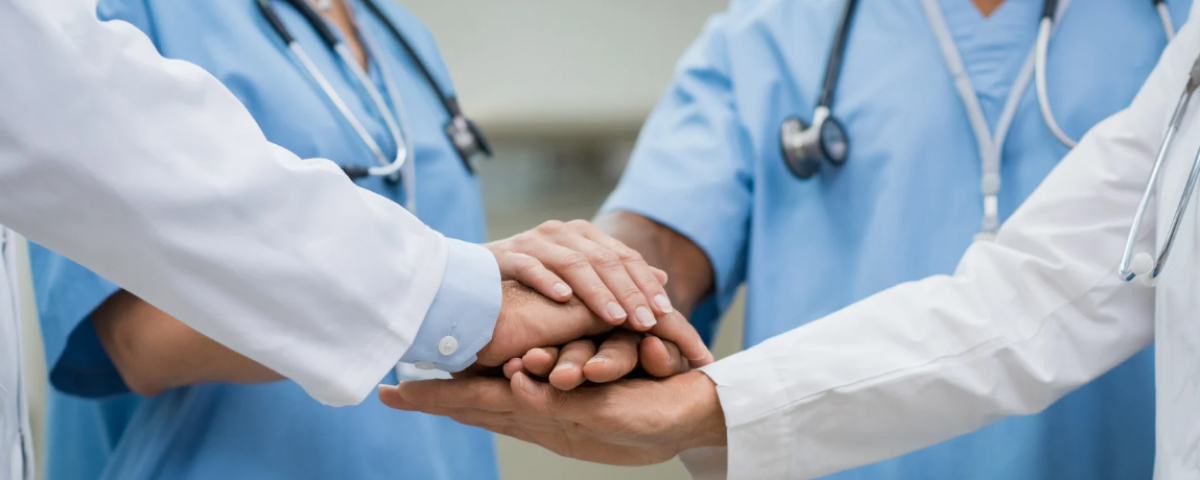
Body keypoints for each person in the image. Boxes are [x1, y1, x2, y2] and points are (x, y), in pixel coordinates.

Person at [386, 4, 1200, 480]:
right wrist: (596, 293)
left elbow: (1040, 298)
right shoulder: (777, 30)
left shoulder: (1172, 26)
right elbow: (663, 230)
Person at [0, 0, 710, 478]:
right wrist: (458, 311)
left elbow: (468, 286)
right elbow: (136, 339)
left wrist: (548, 313)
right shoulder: (117, 17)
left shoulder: (397, 30)